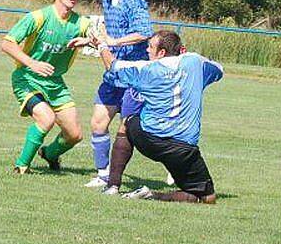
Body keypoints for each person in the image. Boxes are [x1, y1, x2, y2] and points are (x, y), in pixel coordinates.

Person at [95, 30, 222, 203]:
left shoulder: (148, 69)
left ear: (161, 52)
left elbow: (113, 66)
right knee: (207, 198)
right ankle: (153, 195)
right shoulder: (194, 62)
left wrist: (101, 45)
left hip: (149, 140)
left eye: (151, 47)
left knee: (127, 121)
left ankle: (113, 185)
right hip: (183, 149)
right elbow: (218, 70)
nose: (147, 50)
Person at [1, 0, 94, 174]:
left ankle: (50, 154)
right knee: (46, 118)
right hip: (27, 78)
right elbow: (7, 44)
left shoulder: (81, 24)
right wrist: (31, 63)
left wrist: (90, 40)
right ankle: (21, 166)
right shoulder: (38, 17)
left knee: (75, 135)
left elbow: (101, 36)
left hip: (55, 83)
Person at [86, 0, 153, 188]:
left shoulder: (133, 1)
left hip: (133, 73)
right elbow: (108, 31)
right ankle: (103, 174)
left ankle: (175, 165)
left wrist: (113, 42)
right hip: (113, 73)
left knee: (136, 129)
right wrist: (95, 40)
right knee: (98, 122)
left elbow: (144, 32)